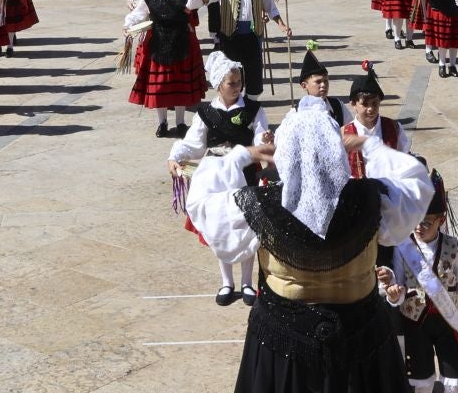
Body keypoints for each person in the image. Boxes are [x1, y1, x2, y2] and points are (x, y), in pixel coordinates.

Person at [182, 100, 434, 392]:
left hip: (282, 341)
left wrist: (242, 156)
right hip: (361, 338)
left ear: (286, 153)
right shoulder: (371, 197)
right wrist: (370, 145)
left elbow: (201, 203)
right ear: (336, 151)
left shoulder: (260, 204)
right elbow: (417, 181)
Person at [169, 50, 271, 305]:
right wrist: (175, 155)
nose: (237, 87)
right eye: (231, 83)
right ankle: (227, 282)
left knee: (246, 225)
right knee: (220, 225)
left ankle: (247, 283)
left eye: (239, 82)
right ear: (218, 85)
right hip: (215, 178)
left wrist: (266, 142)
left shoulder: (254, 110)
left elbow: (260, 141)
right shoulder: (205, 114)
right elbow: (193, 144)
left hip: (244, 173)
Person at [383, 172, 458, 393]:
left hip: (447, 322)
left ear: (441, 221)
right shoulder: (403, 247)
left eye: (426, 223)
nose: (419, 227)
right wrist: (394, 294)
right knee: (422, 381)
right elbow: (399, 286)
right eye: (415, 221)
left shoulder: (452, 246)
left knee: (454, 379)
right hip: (415, 323)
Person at [124, 0, 206, 139]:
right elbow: (141, 11)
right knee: (159, 86)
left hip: (181, 39)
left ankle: (180, 122)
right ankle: (162, 122)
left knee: (180, 85)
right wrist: (128, 24)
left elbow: (194, 5)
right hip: (158, 39)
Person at [202, 0, 288, 95]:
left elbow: (270, 7)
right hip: (230, 38)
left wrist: (282, 25)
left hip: (252, 36)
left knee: (253, 78)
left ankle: (251, 109)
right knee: (232, 78)